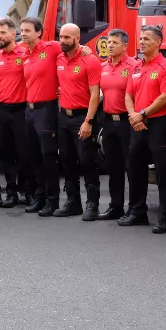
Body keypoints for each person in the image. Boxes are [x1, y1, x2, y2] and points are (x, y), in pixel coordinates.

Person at [124, 25, 166, 232]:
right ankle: (137, 212)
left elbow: (165, 97)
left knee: (163, 172)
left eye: (147, 39)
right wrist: (133, 115)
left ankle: (164, 217)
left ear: (158, 43)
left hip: (157, 124)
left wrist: (143, 114)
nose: (142, 42)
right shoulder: (136, 67)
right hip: (137, 124)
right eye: (141, 38)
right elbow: (128, 95)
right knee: (135, 169)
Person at [55, 23, 103, 220]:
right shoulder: (58, 57)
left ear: (78, 38)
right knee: (66, 160)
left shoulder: (90, 60)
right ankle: (73, 202)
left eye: (67, 37)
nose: (63, 41)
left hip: (83, 117)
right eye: (61, 37)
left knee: (86, 160)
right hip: (63, 117)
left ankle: (92, 204)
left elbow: (95, 95)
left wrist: (88, 121)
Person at [20, 17, 65, 216]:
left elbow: (75, 52)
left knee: (48, 156)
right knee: (34, 156)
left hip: (46, 110)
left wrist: (62, 88)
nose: (23, 34)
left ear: (39, 32)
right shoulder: (25, 54)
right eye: (21, 30)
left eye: (27, 30)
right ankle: (40, 195)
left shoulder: (53, 48)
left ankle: (52, 200)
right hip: (29, 111)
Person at [96, 29, 137, 220]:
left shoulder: (133, 66)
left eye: (114, 42)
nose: (110, 45)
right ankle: (116, 206)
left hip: (127, 122)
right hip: (108, 122)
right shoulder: (103, 66)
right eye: (108, 42)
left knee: (132, 166)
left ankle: (135, 208)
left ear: (125, 46)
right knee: (113, 167)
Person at [0, 18, 32, 208]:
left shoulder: (26, 53)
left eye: (2, 33)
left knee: (25, 152)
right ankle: (11, 191)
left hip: (21, 110)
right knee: (6, 154)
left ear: (13, 34)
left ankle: (27, 190)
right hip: (2, 110)